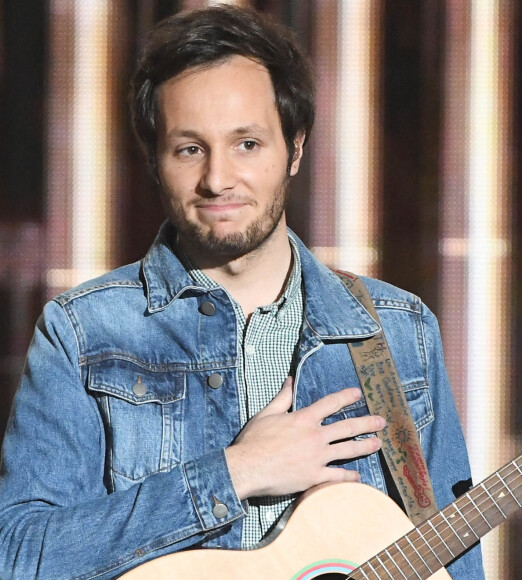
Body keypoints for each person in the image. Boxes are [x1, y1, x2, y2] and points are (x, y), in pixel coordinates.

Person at [0, 5, 484, 579]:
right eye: (189, 148)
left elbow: (452, 563)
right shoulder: (82, 332)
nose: (217, 179)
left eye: (247, 144)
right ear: (156, 162)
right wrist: (234, 473)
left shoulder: (397, 331)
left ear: (295, 149)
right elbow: (18, 556)